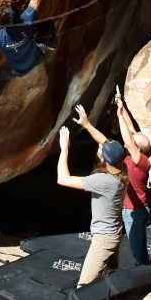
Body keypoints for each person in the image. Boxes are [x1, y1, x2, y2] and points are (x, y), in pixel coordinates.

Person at [57, 108, 128, 287]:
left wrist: (64, 150)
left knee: (83, 287)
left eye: (100, 149)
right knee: (110, 276)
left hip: (103, 239)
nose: (99, 145)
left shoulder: (103, 181)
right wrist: (86, 124)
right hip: (114, 233)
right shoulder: (121, 169)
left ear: (103, 159)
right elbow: (105, 142)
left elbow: (63, 179)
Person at [109, 86, 151, 266]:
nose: (131, 138)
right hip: (134, 208)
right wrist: (121, 104)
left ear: (137, 148)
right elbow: (130, 128)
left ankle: (144, 276)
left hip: (134, 211)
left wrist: (118, 115)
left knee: (138, 250)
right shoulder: (137, 155)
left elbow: (128, 138)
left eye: (134, 141)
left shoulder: (141, 162)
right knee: (137, 244)